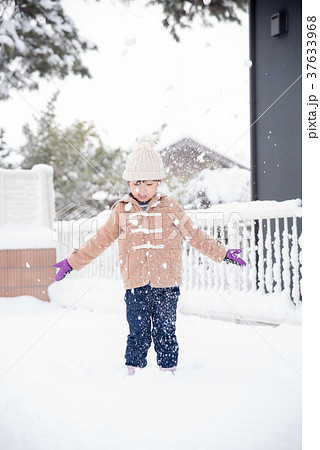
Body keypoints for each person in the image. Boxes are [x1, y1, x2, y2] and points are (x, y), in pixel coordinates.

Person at [53, 136, 246, 376]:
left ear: (158, 183)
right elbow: (100, 241)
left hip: (167, 284)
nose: (141, 190)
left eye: (148, 184)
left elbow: (195, 235)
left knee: (166, 332)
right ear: (128, 183)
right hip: (136, 285)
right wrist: (72, 262)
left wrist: (223, 252)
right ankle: (133, 374)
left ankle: (168, 373)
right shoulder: (120, 211)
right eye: (136, 184)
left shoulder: (170, 207)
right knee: (138, 332)